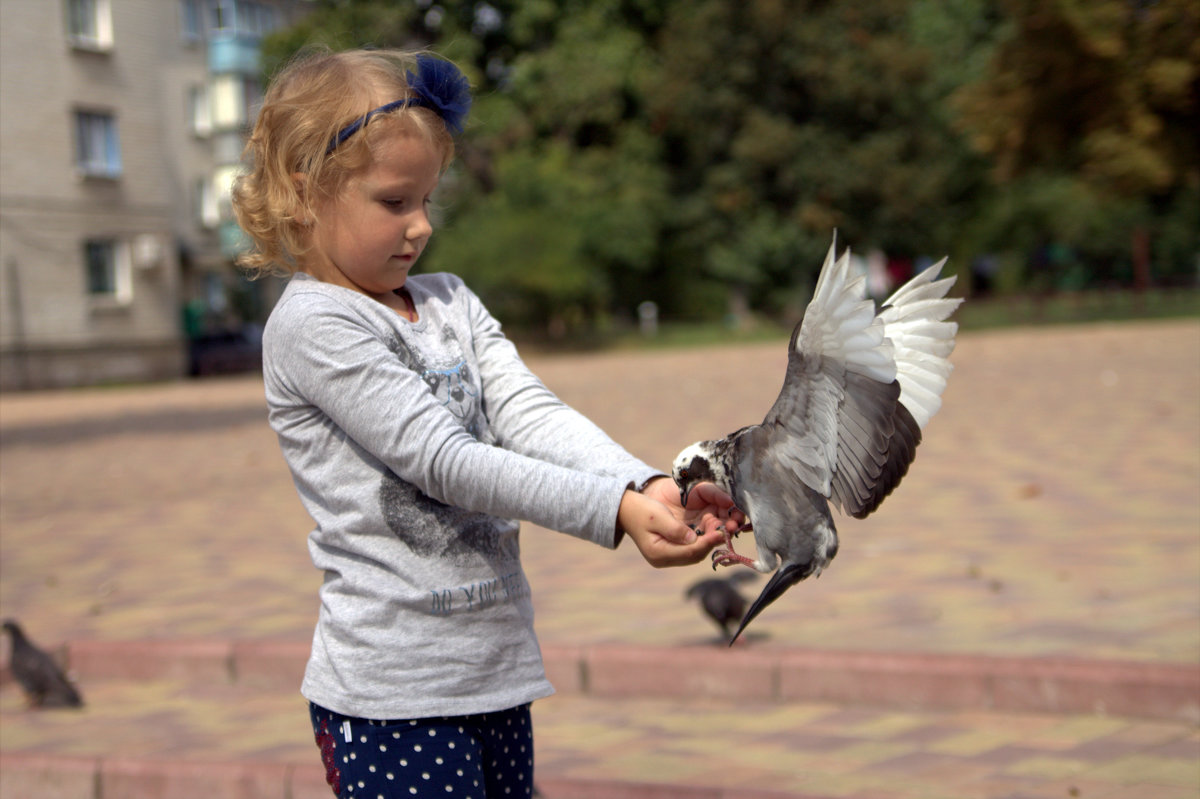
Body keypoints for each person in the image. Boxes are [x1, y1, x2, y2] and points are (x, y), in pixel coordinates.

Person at [232, 48, 741, 799]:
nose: (421, 225)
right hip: (393, 700)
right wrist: (613, 510)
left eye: (429, 199)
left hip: (493, 672)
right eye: (393, 201)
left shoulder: (450, 302)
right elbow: (446, 460)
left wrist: (646, 481)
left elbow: (528, 414)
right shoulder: (315, 324)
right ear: (306, 192)